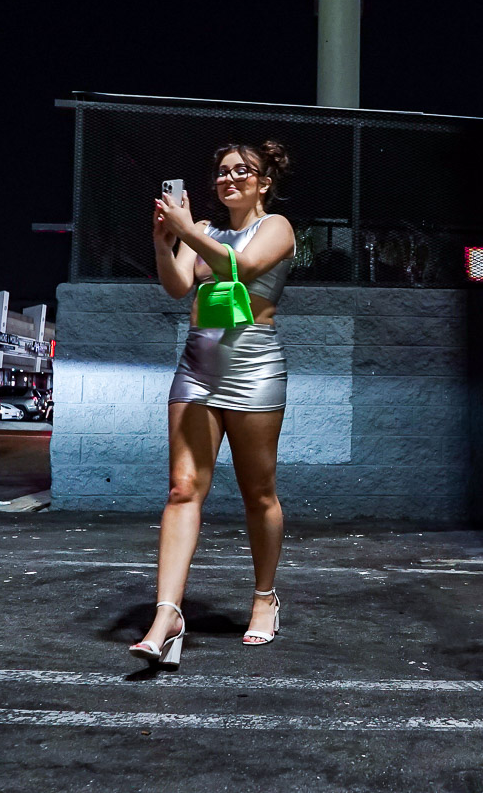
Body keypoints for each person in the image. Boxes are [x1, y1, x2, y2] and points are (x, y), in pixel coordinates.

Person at [130, 140, 297, 667]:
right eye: (222, 171)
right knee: (182, 489)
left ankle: (265, 598)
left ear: (264, 181)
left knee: (258, 492)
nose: (229, 178)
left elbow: (242, 267)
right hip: (198, 364)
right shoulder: (202, 228)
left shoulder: (277, 227)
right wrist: (165, 243)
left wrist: (187, 231)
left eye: (242, 170)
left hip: (253, 365)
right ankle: (167, 615)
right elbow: (178, 286)